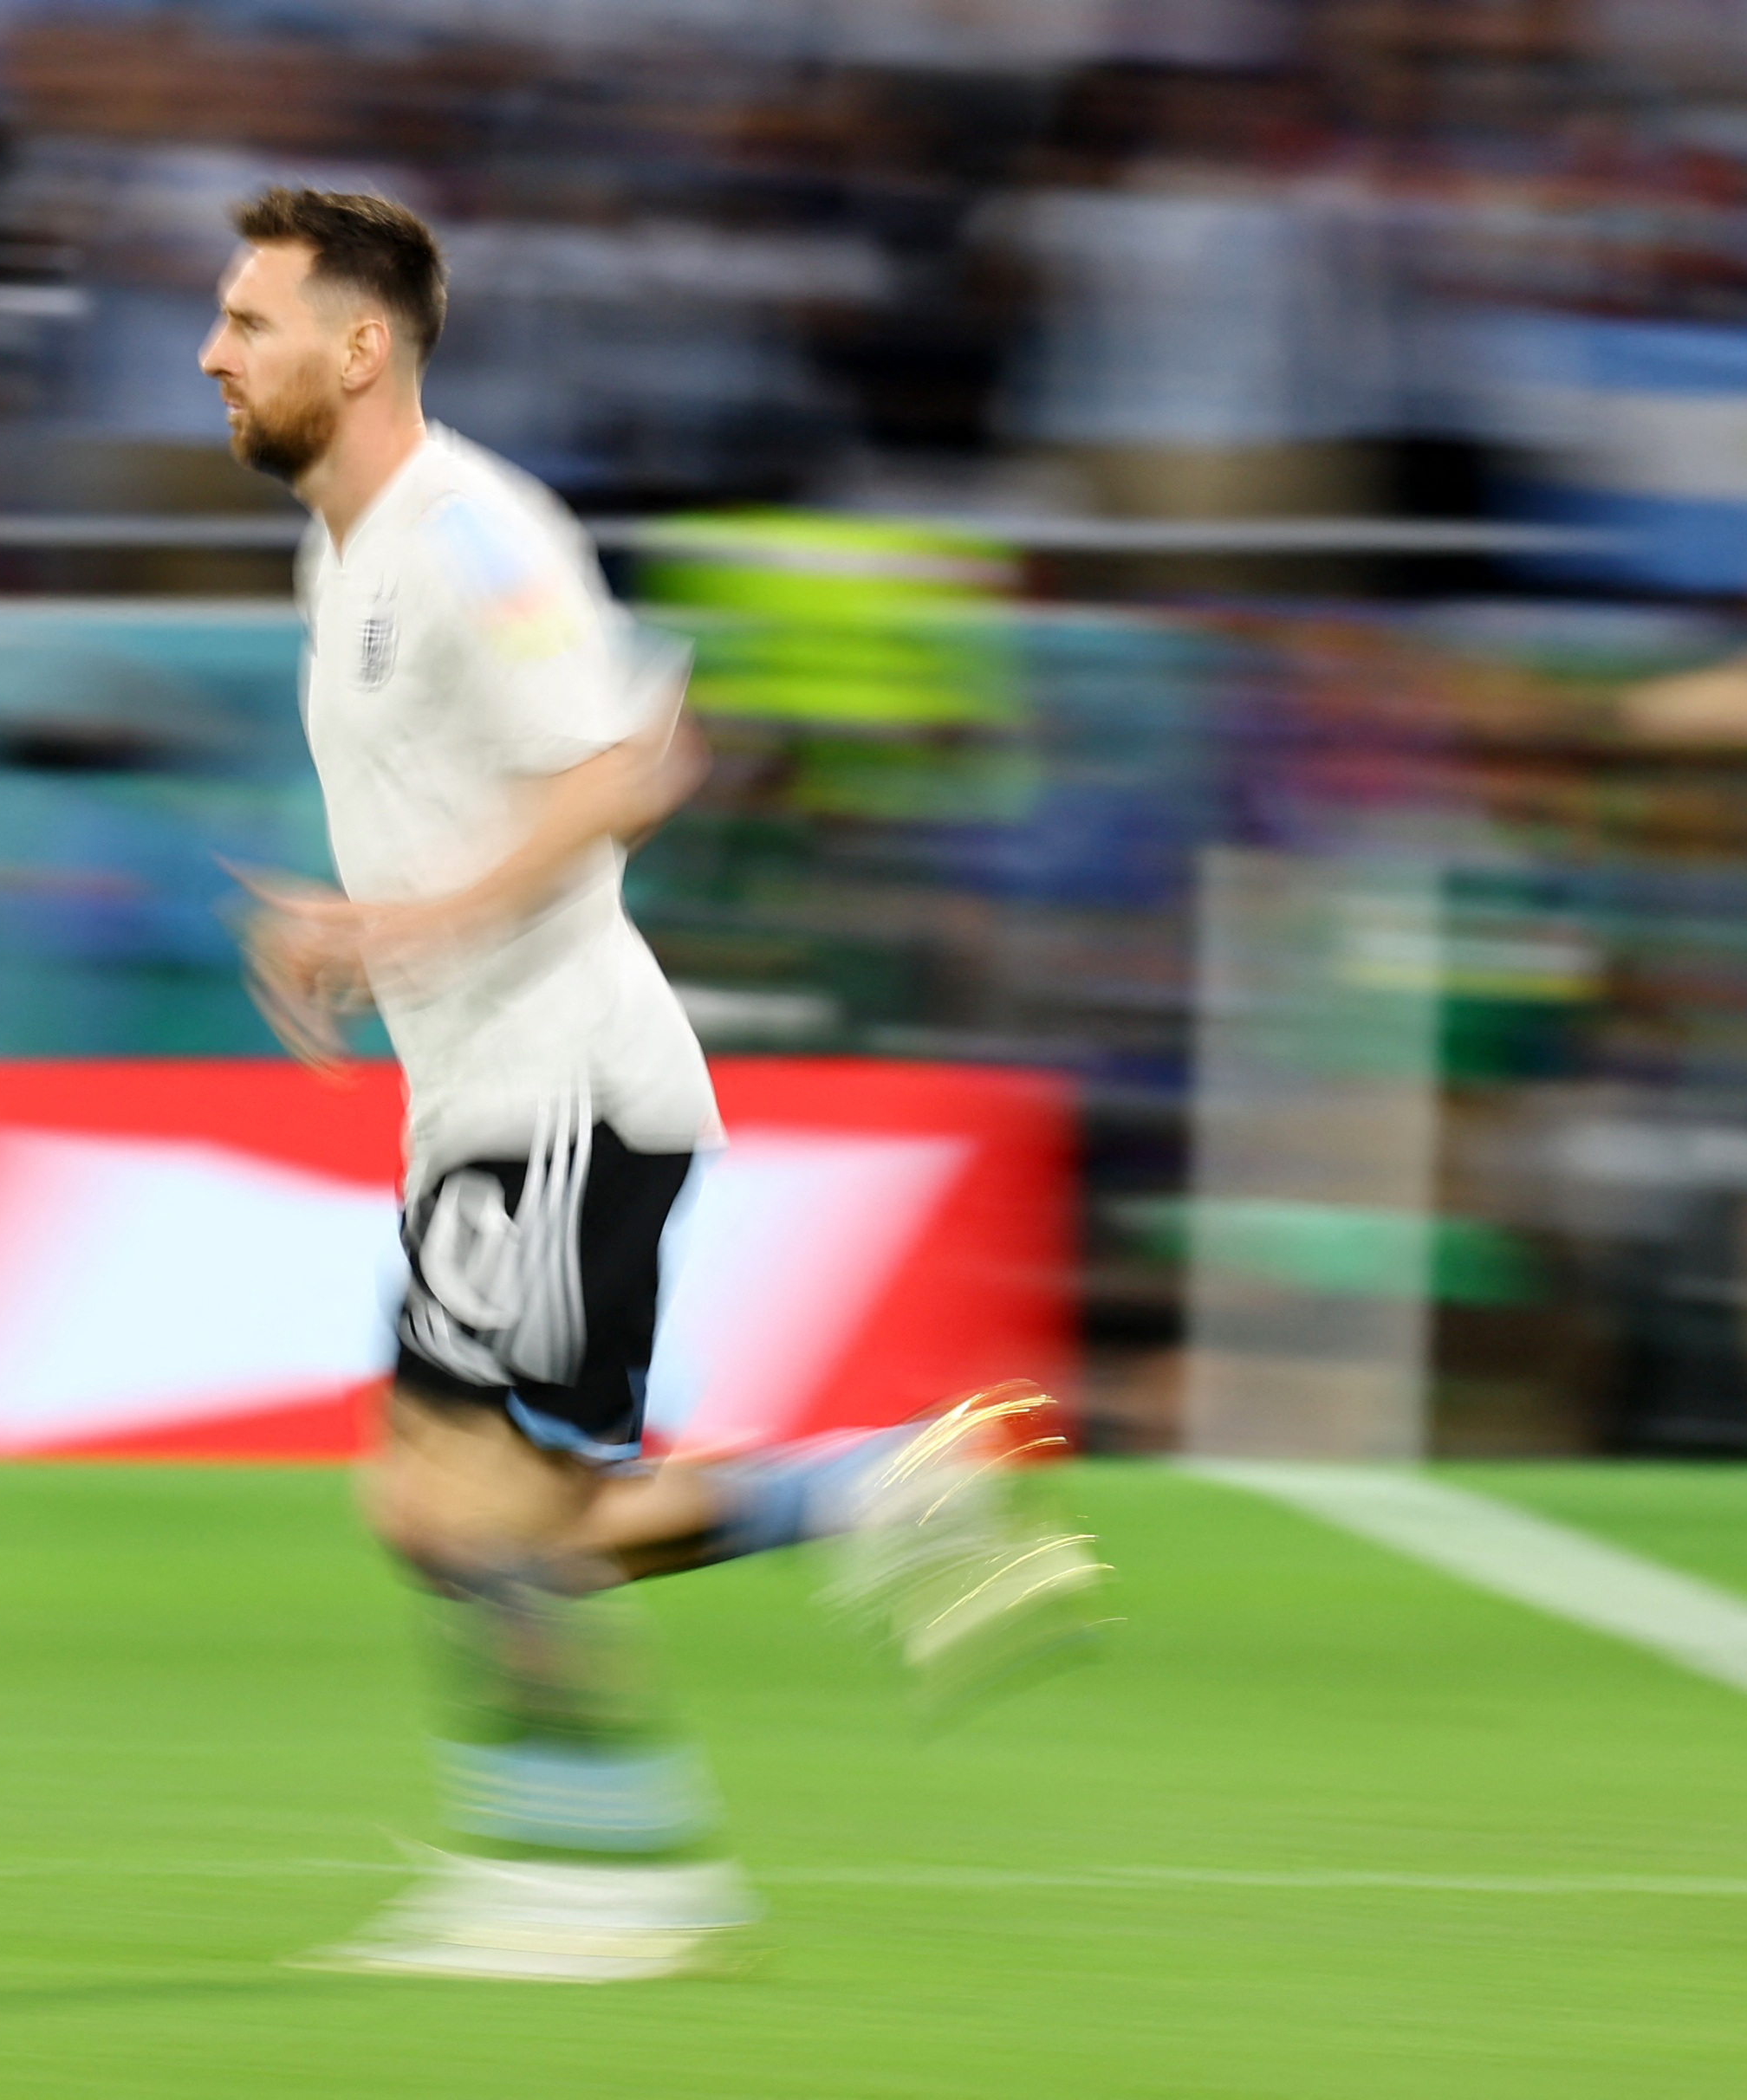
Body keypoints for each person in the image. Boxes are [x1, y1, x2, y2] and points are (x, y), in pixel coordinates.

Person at [198, 187, 1108, 1984]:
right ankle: (880, 1500)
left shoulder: (469, 535)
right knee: (514, 1519)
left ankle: (600, 1881)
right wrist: (368, 947)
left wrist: (395, 923)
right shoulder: (345, 551)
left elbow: (631, 763)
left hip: (556, 1101)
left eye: (247, 320)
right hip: (496, 1104)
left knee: (464, 1516)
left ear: (358, 345)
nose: (212, 354)